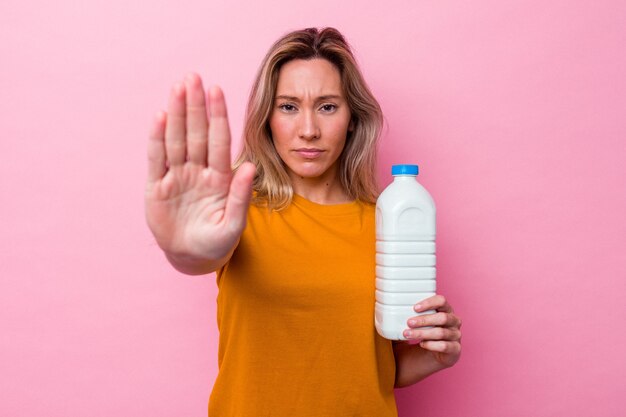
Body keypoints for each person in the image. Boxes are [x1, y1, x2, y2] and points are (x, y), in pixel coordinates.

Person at [145, 27, 462, 416]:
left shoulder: (389, 222)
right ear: (267, 119)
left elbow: (377, 367)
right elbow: (198, 257)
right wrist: (182, 248)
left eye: (327, 106)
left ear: (352, 118)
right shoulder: (237, 211)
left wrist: (435, 356)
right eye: (288, 107)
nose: (308, 130)